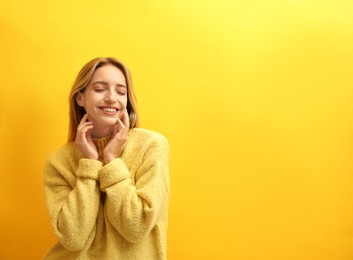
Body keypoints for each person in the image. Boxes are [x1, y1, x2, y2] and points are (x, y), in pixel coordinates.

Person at [43, 57, 170, 259]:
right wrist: (90, 165)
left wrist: (111, 160)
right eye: (100, 89)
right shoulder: (58, 162)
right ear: (80, 98)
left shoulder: (151, 145)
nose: (112, 98)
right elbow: (73, 238)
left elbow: (136, 226)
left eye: (120, 91)